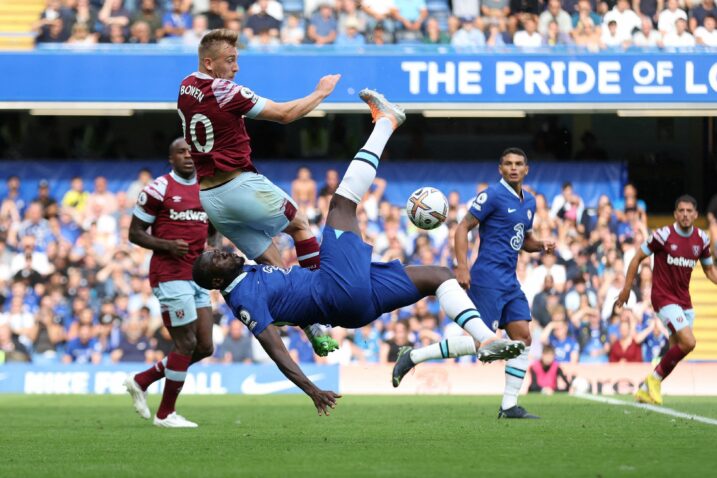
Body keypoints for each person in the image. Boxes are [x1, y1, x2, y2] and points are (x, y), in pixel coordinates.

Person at [192, 90, 524, 416]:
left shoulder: (246, 272)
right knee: (341, 203)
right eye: (217, 257)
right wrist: (312, 389)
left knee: (439, 276)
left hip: (351, 306)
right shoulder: (244, 300)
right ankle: (387, 122)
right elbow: (275, 347)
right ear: (219, 279)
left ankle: (484, 339)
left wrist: (314, 332)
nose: (222, 251)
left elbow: (290, 288)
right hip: (335, 289)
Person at [177, 28, 340, 357]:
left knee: (271, 260)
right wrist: (321, 93)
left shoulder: (185, 86)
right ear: (209, 63)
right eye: (230, 61)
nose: (235, 68)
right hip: (238, 185)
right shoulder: (222, 89)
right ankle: (321, 297)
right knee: (300, 225)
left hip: (211, 200)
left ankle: (310, 326)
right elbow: (283, 114)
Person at [399, 147, 555, 419]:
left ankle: (509, 406)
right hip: (487, 278)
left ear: (526, 169)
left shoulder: (529, 202)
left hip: (510, 280)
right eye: (508, 164)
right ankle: (413, 357)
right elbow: (462, 227)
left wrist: (540, 244)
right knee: (482, 343)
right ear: (500, 168)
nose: (514, 168)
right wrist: (461, 265)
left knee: (523, 337)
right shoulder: (492, 195)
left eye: (519, 164)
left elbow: (523, 240)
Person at [124, 138, 216, 428]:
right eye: (181, 152)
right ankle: (165, 414)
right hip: (170, 274)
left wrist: (213, 249)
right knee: (185, 342)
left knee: (205, 346)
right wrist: (165, 245)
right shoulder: (157, 189)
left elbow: (214, 228)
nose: (188, 156)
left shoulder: (207, 187)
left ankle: (142, 380)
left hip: (199, 273)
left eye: (192, 151)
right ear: (171, 158)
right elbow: (135, 233)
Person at [616, 195, 717, 405]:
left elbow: (709, 270)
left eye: (690, 211)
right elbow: (637, 258)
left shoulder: (702, 239)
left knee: (676, 350)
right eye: (681, 210)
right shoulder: (662, 235)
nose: (685, 214)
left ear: (696, 215)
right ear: (675, 214)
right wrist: (626, 288)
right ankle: (653, 380)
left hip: (684, 302)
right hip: (663, 298)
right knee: (689, 342)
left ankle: (645, 388)